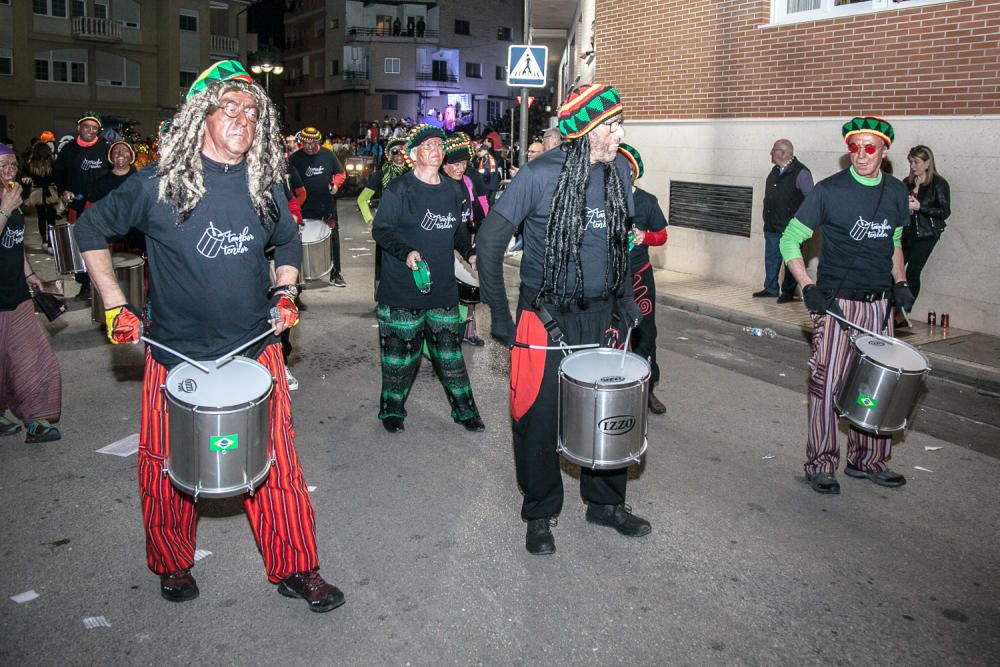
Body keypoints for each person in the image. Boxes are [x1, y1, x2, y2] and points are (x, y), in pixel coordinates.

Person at [74, 60, 345, 612]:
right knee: (164, 467)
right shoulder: (156, 185)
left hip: (254, 350)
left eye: (252, 111)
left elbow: (288, 245)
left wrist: (286, 293)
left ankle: (297, 566)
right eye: (230, 108)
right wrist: (114, 306)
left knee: (278, 468)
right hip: (175, 356)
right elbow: (88, 230)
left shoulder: (263, 186)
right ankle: (173, 563)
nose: (243, 118)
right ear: (202, 117)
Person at [477, 84, 651, 555]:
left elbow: (622, 241)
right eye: (613, 125)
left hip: (602, 316)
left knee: (607, 410)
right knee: (536, 420)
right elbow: (489, 244)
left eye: (620, 122)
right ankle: (539, 512)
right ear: (589, 130)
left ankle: (605, 503)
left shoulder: (617, 170)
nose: (621, 132)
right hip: (545, 316)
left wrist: (626, 300)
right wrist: (499, 313)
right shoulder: (537, 174)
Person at [780, 116, 914, 495]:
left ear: (885, 152)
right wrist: (806, 285)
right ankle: (821, 463)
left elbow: (895, 241)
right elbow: (790, 240)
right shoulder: (828, 191)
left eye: (869, 148)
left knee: (876, 387)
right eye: (854, 148)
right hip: (838, 305)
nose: (860, 155)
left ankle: (868, 460)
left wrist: (900, 282)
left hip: (878, 306)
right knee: (828, 385)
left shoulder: (896, 194)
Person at [370, 124, 485, 434]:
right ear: (413, 155)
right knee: (399, 360)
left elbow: (459, 232)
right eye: (428, 145)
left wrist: (472, 253)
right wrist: (406, 252)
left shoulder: (453, 190)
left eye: (439, 145)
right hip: (402, 290)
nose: (436, 149)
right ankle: (392, 411)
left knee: (450, 355)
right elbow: (381, 230)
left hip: (443, 289)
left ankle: (465, 411)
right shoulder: (400, 189)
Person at [0, 145, 63, 443]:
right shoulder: (8, 201)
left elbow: (16, 241)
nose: (9, 169)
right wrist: (4, 209)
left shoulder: (12, 195)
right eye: (2, 164)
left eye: (12, 164)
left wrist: (30, 274)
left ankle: (36, 420)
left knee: (33, 357)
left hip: (17, 294)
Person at [618, 143, 668, 414]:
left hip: (638, 277)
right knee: (610, 334)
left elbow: (662, 235)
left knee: (645, 333)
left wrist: (645, 237)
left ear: (634, 172)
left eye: (625, 168)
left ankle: (648, 391)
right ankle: (611, 388)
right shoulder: (603, 197)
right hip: (610, 277)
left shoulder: (647, 202)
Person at [53, 112, 109, 301]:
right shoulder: (69, 149)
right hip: (77, 207)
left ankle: (103, 285)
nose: (90, 131)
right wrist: (64, 190)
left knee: (102, 246)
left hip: (101, 207)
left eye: (94, 128)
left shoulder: (105, 148)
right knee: (79, 248)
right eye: (87, 126)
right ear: (79, 128)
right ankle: (85, 284)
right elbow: (58, 173)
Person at [441, 132, 490, 346]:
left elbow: (471, 217)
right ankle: (448, 335)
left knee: (469, 287)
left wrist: (472, 251)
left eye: (463, 163)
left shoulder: (465, 183)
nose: (460, 168)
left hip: (458, 246)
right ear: (443, 165)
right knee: (460, 288)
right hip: (436, 251)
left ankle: (465, 332)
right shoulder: (438, 188)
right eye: (455, 164)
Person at [289, 126, 347, 287]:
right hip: (303, 205)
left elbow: (341, 173)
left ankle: (336, 274)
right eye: (305, 143)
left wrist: (335, 185)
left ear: (317, 141)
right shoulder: (295, 158)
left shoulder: (328, 155)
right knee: (297, 240)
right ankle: (298, 276)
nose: (308, 146)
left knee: (333, 239)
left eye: (312, 143)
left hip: (326, 206)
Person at [756, 139, 813, 303]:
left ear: (782, 153)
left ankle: (787, 293)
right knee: (771, 259)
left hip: (791, 227)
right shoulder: (774, 171)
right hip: (772, 224)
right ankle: (770, 288)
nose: (771, 154)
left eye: (773, 150)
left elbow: (811, 199)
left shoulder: (801, 172)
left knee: (791, 262)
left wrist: (800, 221)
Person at [358, 136, 410, 300]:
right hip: (387, 225)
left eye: (403, 151)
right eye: (395, 151)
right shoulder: (381, 175)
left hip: (409, 225)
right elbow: (362, 200)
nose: (399, 155)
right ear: (389, 154)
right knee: (384, 263)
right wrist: (369, 219)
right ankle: (385, 298)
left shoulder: (415, 174)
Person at [901, 145, 950, 305]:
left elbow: (944, 211)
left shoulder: (938, 184)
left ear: (928, 163)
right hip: (907, 231)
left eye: (916, 162)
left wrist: (920, 207)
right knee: (896, 271)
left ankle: (905, 310)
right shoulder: (907, 182)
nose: (913, 166)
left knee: (912, 272)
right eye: (911, 162)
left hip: (926, 234)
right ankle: (894, 307)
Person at [24, 140, 58, 252]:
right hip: (50, 191)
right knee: (51, 218)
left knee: (41, 217)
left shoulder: (31, 163)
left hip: (37, 192)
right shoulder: (52, 163)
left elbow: (28, 176)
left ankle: (44, 241)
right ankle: (51, 244)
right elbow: (56, 177)